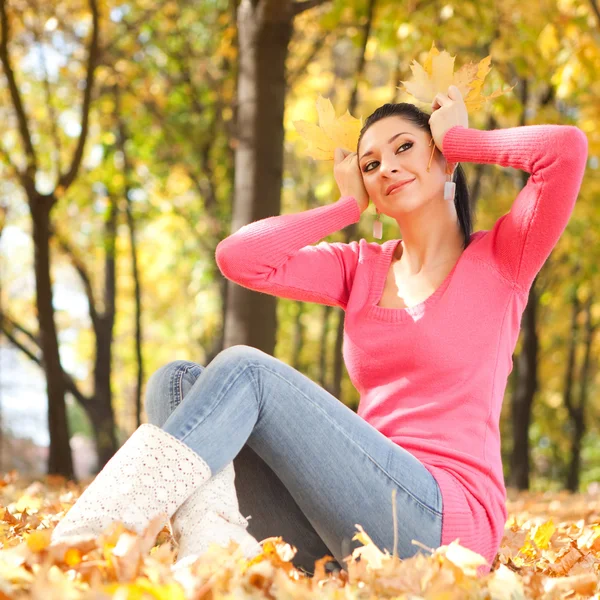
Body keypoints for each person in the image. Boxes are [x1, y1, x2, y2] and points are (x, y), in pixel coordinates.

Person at [51, 85, 588, 576]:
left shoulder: (502, 258)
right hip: (340, 527)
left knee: (246, 371)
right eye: (371, 162)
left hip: (443, 525)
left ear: (444, 162)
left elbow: (564, 151)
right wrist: (344, 208)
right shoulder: (361, 265)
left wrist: (460, 138)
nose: (386, 167)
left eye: (406, 147)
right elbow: (239, 258)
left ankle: (90, 537)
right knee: (175, 382)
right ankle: (209, 548)